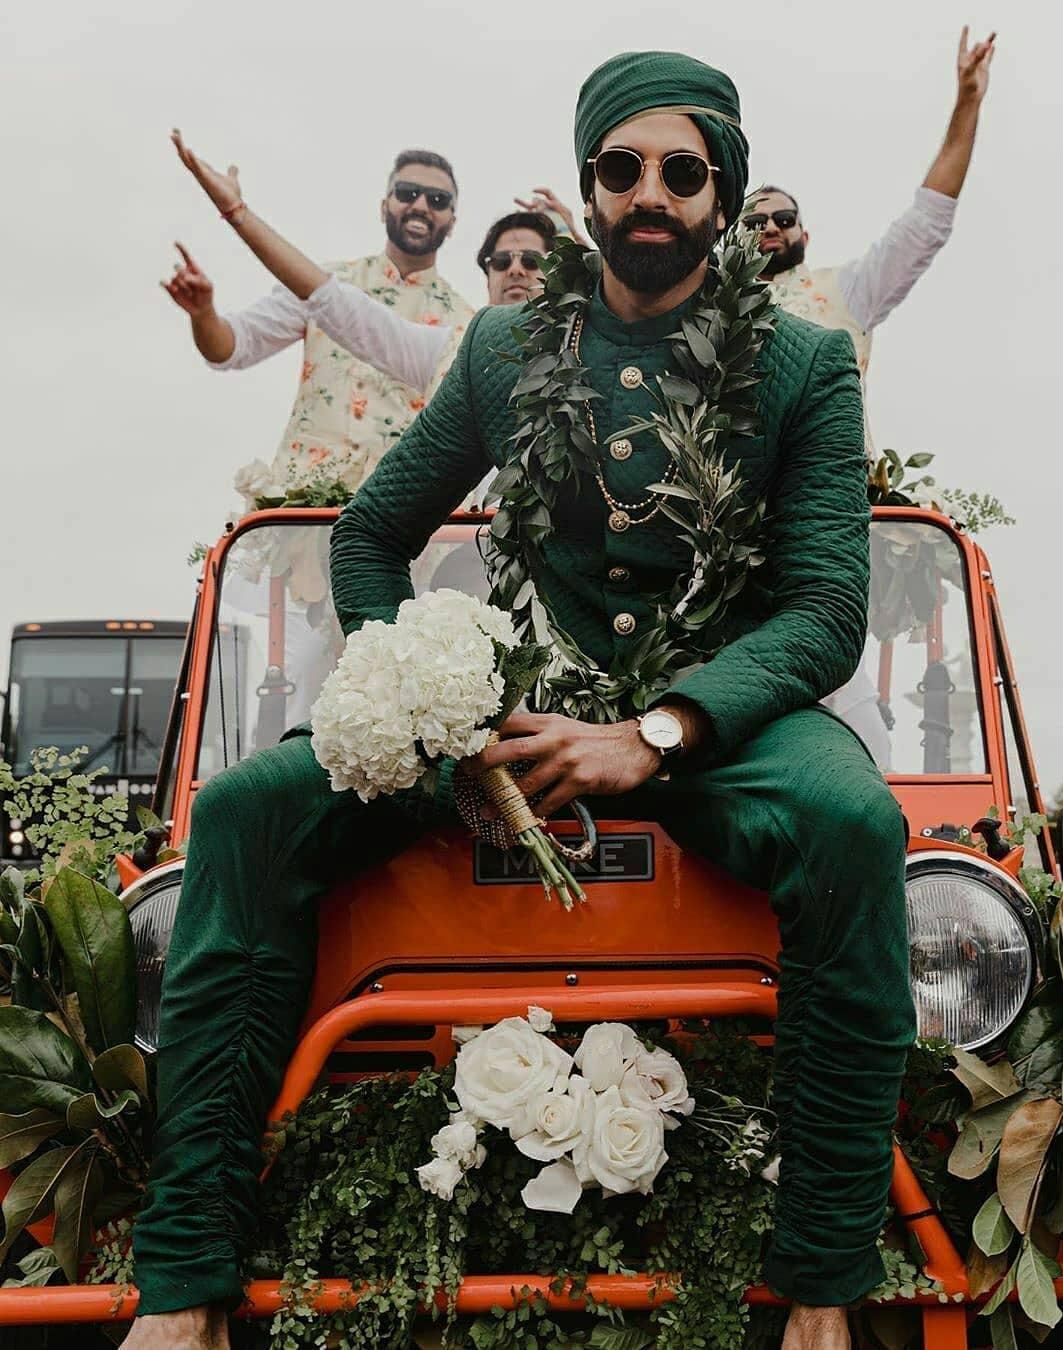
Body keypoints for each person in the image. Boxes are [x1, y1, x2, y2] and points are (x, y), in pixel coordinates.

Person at [129, 51, 913, 1350]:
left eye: (681, 170)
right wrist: (443, 714)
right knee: (246, 810)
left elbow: (828, 607)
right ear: (591, 186)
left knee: (857, 826)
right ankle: (183, 1283)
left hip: (727, 716)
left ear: (725, 193)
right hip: (520, 711)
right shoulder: (502, 345)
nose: (649, 193)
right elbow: (368, 539)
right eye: (621, 168)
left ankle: (824, 1281)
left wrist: (655, 733)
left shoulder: (806, 363)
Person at [162, 143, 474, 493]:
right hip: (305, 510)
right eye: (407, 193)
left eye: (437, 200)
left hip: (404, 518)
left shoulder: (466, 325)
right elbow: (231, 347)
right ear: (384, 205)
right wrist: (203, 314)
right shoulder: (320, 284)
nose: (420, 206)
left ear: (452, 222)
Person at [749, 27, 996, 447]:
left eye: (783, 218)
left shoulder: (848, 291)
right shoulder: (707, 303)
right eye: (754, 223)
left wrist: (968, 102)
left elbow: (926, 222)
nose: (770, 227)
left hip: (835, 487)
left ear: (804, 235)